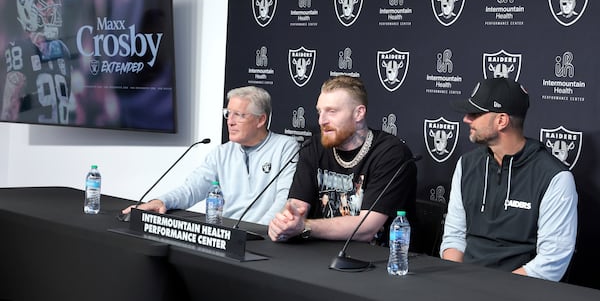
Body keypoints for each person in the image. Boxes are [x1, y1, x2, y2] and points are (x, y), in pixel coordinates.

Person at [440, 77, 578, 281]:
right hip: (464, 284)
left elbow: (552, 261)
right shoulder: (466, 165)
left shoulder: (555, 178)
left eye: (476, 113)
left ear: (502, 121)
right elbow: (454, 236)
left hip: (520, 290)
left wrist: (493, 291)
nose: (466, 119)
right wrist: (456, 282)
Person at [268, 75, 416, 243]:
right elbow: (296, 207)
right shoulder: (314, 147)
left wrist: (305, 226)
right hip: (319, 255)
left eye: (332, 111)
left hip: (377, 260)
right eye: (319, 111)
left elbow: (367, 228)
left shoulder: (390, 153)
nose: (321, 120)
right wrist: (285, 222)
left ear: (359, 113)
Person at [121, 86, 299, 225]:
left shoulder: (285, 147)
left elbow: (284, 200)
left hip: (265, 236)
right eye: (228, 114)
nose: (230, 121)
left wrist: (261, 231)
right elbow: (192, 189)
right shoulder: (222, 153)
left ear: (261, 120)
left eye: (239, 115)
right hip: (229, 235)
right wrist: (160, 201)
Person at [1, 0, 72, 124]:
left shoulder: (63, 52)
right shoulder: (19, 50)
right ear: (26, 8)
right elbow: (9, 112)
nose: (52, 4)